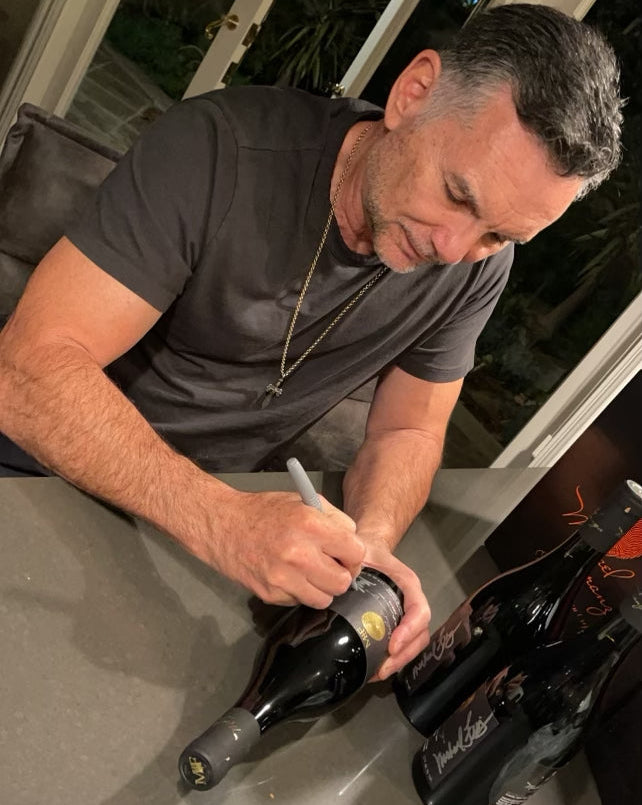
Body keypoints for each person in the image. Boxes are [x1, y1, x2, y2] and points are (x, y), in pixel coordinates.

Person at [0, 5, 623, 680]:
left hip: (201, 539)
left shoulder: (476, 266)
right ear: (413, 94)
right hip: (42, 479)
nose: (453, 249)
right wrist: (221, 521)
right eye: (456, 194)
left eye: (499, 234)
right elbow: (26, 372)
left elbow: (410, 429)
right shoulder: (216, 147)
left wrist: (369, 546)